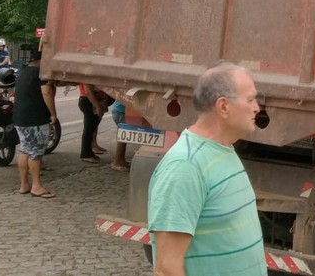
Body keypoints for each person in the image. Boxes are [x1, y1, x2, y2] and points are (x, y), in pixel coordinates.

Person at [147, 63, 268, 276]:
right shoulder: (186, 166)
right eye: (250, 99)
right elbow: (167, 268)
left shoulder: (223, 149)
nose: (257, 107)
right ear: (223, 106)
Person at [12, 50, 57, 198]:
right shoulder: (41, 74)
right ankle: (36, 186)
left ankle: (24, 184)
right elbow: (46, 93)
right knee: (35, 153)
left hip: (20, 117)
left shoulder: (23, 72)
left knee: (25, 150)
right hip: (35, 117)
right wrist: (53, 114)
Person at [78, 82, 107, 163]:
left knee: (92, 128)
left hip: (90, 101)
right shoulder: (87, 77)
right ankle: (86, 154)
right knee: (89, 129)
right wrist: (97, 106)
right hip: (88, 102)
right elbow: (88, 91)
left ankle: (89, 152)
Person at [108, 100, 130, 171]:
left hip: (119, 111)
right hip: (121, 111)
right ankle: (117, 162)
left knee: (124, 138)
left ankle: (121, 160)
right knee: (123, 137)